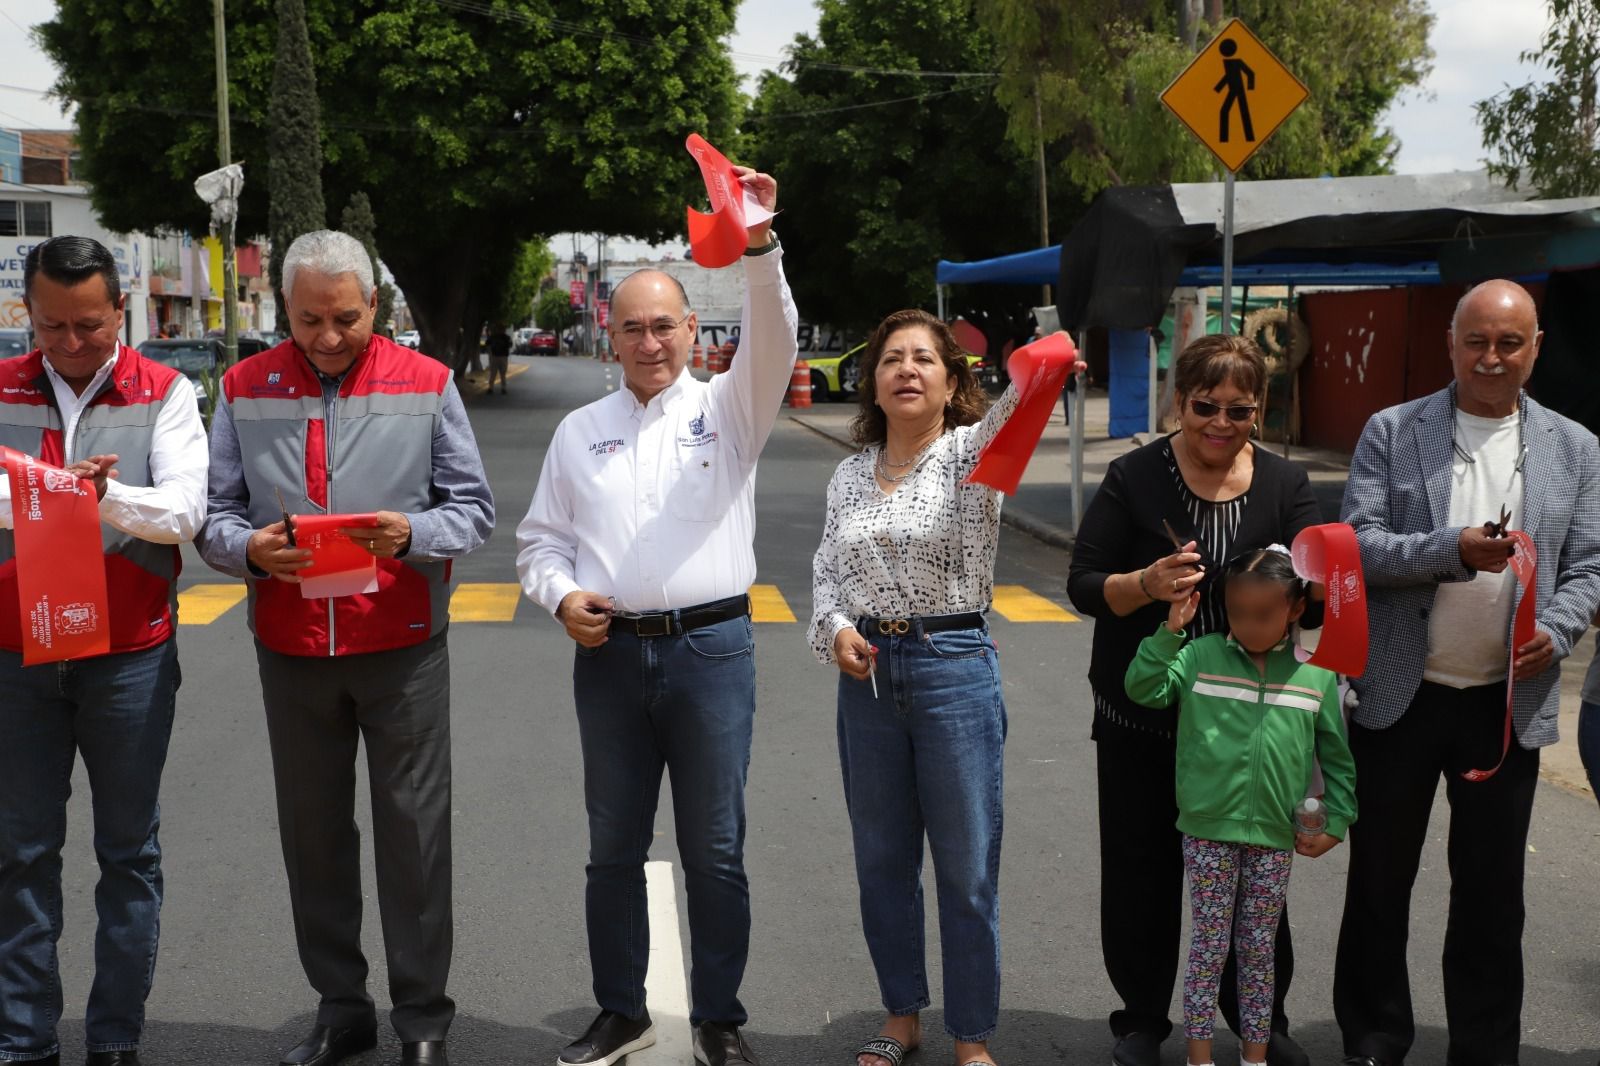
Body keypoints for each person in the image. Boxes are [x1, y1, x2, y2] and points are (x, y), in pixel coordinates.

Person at [515, 164, 795, 1066]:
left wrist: (758, 242)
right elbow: (539, 543)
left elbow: (776, 334)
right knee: (612, 849)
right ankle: (620, 1010)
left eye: (664, 325)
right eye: (633, 327)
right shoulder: (579, 432)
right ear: (612, 333)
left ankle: (720, 1017)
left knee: (715, 848)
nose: (649, 342)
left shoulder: (730, 409)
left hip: (711, 654)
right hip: (609, 658)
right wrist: (562, 596)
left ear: (691, 332)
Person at [197, 230, 494, 1066]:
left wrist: (413, 535)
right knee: (313, 835)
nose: (327, 336)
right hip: (291, 648)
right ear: (283, 310)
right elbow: (214, 518)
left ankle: (423, 1020)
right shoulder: (243, 388)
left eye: (346, 318)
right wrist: (251, 551)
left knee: (415, 835)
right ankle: (341, 1007)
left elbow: (473, 510)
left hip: (402, 646)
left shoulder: (427, 384)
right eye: (308, 320)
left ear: (376, 305)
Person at [1332, 279, 1600, 1066]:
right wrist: (1450, 549)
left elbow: (1588, 566)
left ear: (1536, 348)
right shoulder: (1392, 430)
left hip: (1504, 704)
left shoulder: (1577, 448)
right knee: (1379, 881)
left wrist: (1556, 628)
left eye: (1509, 343)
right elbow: (1358, 544)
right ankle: (1375, 1037)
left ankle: (1484, 1049)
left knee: (1491, 894)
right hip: (1400, 694)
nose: (1491, 357)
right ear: (1451, 343)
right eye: (1476, 340)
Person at [808, 310, 1062, 1066]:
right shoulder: (848, 475)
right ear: (873, 382)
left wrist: (1049, 345)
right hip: (868, 679)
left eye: (924, 359)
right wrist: (836, 630)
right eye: (892, 359)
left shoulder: (973, 453)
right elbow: (826, 573)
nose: (907, 370)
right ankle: (902, 1018)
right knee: (882, 861)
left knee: (966, 867)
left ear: (954, 383)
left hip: (953, 666)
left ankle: (971, 1038)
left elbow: (1035, 381)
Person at [1066, 333, 1322, 1066]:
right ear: (1178, 402)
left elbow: (1317, 588)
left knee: (1253, 878)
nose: (1220, 422)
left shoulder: (1285, 484)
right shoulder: (1134, 476)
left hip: (1246, 728)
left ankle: (1258, 1020)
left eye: (1238, 409)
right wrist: (1144, 584)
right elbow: (1084, 584)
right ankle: (1142, 1021)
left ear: (1259, 409)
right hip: (1143, 713)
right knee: (1141, 871)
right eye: (1205, 406)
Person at [0, 236, 208, 1066]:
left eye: (89, 325)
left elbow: (183, 512)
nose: (72, 343)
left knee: (128, 851)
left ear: (122, 309)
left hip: (129, 656)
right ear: (29, 314)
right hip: (16, 652)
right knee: (20, 853)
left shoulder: (166, 392)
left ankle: (116, 1035)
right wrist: (56, 494)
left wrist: (106, 495)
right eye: (52, 327)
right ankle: (23, 1038)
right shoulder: (3, 386)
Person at [1125, 547, 1356, 1066]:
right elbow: (1143, 688)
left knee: (1257, 950)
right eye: (1237, 613)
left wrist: (1337, 820)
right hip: (1207, 831)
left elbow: (1337, 758)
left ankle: (1255, 1057)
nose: (1249, 625)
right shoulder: (1199, 655)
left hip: (1275, 836)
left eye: (1264, 614)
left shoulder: (1316, 675)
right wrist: (1170, 631)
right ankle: (1199, 1057)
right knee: (1209, 947)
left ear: (1296, 608)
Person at [486, 323, 513, 394]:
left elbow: (488, 346)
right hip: (498, 357)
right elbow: (488, 345)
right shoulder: (496, 337)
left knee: (499, 373)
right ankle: (496, 388)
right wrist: (490, 355)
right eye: (500, 329)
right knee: (496, 373)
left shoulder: (503, 337)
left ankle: (497, 388)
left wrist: (490, 355)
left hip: (500, 357)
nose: (501, 330)